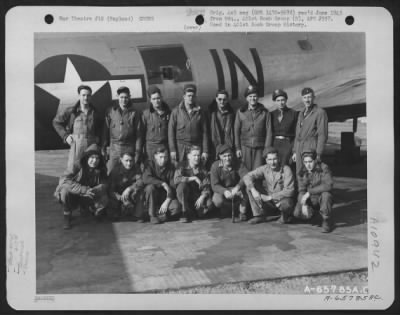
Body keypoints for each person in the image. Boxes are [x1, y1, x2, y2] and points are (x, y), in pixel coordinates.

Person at [54, 144, 108, 230]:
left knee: (104, 196)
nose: (94, 161)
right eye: (92, 157)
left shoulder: (101, 168)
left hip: (89, 193)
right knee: (64, 191)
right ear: (87, 157)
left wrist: (95, 190)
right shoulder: (76, 165)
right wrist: (83, 190)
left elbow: (105, 183)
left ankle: (93, 210)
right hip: (75, 194)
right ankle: (67, 214)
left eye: (97, 158)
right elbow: (64, 180)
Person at [53, 85, 102, 172]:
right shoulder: (71, 111)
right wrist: (65, 136)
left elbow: (100, 127)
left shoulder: (95, 112)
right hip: (76, 144)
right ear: (79, 95)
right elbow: (56, 122)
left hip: (91, 144)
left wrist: (98, 140)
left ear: (91, 96)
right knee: (74, 169)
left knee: (90, 169)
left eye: (88, 95)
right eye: (83, 95)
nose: (86, 98)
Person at [243, 147, 296, 224]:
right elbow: (247, 176)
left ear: (279, 159)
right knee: (249, 187)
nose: (272, 162)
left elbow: (290, 191)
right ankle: (259, 215)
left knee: (287, 203)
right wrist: (254, 190)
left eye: (275, 159)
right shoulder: (265, 168)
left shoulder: (286, 169)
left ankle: (284, 216)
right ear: (266, 160)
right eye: (270, 160)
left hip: (281, 199)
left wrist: (270, 197)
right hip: (270, 201)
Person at [102, 86, 143, 173]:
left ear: (129, 97)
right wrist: (103, 147)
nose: (124, 100)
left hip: (129, 147)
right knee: (111, 172)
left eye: (126, 97)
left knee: (130, 173)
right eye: (121, 97)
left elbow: (139, 134)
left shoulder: (135, 113)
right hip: (114, 149)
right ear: (118, 97)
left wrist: (138, 151)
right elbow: (105, 131)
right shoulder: (111, 111)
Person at [294, 150, 334, 233]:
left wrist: (309, 192)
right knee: (297, 214)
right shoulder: (302, 172)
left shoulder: (323, 168)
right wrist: (303, 204)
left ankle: (326, 220)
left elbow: (328, 185)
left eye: (310, 161)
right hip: (310, 199)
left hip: (320, 197)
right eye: (305, 162)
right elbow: (301, 190)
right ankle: (313, 214)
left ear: (315, 160)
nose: (308, 164)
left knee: (326, 195)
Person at [168, 84, 209, 165]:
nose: (191, 98)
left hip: (195, 147)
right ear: (184, 96)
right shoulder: (176, 112)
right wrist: (172, 150)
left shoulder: (200, 112)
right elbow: (171, 132)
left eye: (193, 96)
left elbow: (205, 133)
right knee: (181, 170)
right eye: (189, 95)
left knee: (195, 170)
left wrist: (205, 151)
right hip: (181, 148)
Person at [234, 85, 272, 171]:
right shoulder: (241, 112)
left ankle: (257, 185)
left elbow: (269, 132)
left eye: (255, 96)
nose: (253, 98)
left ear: (258, 97)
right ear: (247, 98)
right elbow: (236, 131)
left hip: (260, 147)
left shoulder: (264, 112)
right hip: (245, 147)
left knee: (258, 171)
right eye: (250, 96)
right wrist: (238, 148)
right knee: (245, 171)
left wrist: (267, 149)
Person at [292, 87, 328, 175]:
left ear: (313, 98)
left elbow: (322, 134)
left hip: (311, 147)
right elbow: (298, 134)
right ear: (302, 99)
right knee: (300, 173)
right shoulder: (301, 113)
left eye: (309, 97)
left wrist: (319, 153)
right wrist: (295, 151)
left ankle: (311, 189)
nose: (307, 100)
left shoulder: (320, 112)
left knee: (311, 173)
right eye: (305, 97)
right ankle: (302, 189)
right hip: (299, 147)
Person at [142, 146, 181, 224]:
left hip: (164, 196)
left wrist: (167, 200)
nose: (163, 160)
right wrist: (162, 183)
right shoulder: (149, 164)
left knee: (176, 207)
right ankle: (153, 215)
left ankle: (161, 214)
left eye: (165, 157)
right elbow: (146, 179)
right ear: (155, 156)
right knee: (150, 187)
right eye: (161, 157)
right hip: (152, 196)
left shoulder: (171, 166)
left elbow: (172, 187)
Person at [174, 145, 213, 223]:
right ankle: (184, 212)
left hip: (196, 196)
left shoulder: (202, 168)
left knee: (209, 205)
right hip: (184, 196)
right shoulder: (181, 166)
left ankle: (193, 210)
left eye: (198, 155)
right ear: (188, 156)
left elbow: (207, 185)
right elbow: (176, 179)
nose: (197, 158)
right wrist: (193, 178)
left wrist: (203, 196)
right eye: (194, 155)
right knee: (182, 186)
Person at [210, 144, 248, 220]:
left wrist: (238, 187)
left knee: (247, 190)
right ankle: (227, 209)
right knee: (217, 201)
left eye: (229, 155)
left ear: (232, 155)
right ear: (220, 156)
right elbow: (214, 185)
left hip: (237, 189)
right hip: (224, 190)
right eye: (224, 156)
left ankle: (242, 212)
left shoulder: (239, 163)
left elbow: (246, 176)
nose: (227, 158)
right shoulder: (215, 166)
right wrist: (224, 191)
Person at [108, 150, 144, 221]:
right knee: (112, 215)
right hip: (118, 196)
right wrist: (122, 198)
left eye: (131, 160)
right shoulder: (115, 171)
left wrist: (129, 188)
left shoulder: (136, 168)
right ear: (121, 160)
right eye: (126, 160)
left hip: (130, 194)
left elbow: (140, 182)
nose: (129, 163)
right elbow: (110, 190)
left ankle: (137, 215)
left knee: (141, 192)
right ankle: (117, 211)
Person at [141, 86, 171, 161]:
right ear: (150, 100)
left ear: (162, 97)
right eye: (154, 99)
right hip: (150, 149)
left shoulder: (169, 113)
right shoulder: (145, 114)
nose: (156, 101)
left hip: (164, 147)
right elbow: (141, 134)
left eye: (158, 98)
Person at [270, 89, 298, 166]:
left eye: (283, 100)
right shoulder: (271, 115)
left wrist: (293, 149)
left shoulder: (293, 114)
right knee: (274, 164)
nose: (281, 102)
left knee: (285, 166)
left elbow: (297, 133)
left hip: (287, 144)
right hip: (274, 143)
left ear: (286, 100)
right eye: (278, 100)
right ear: (275, 101)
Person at [208, 89, 235, 161]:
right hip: (214, 147)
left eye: (224, 99)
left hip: (227, 148)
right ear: (216, 99)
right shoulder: (210, 114)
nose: (222, 102)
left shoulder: (231, 115)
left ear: (227, 100)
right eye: (220, 99)